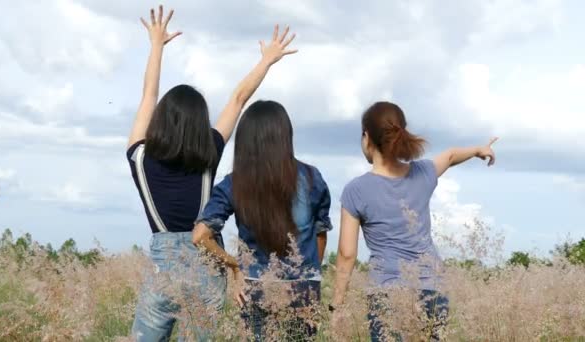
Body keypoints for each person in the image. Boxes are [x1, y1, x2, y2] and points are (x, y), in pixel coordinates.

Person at [127, 6, 298, 341]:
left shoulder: (139, 157)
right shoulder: (209, 155)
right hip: (207, 269)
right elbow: (237, 99)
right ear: (199, 123)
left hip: (162, 272)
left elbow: (148, 95)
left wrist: (156, 46)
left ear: (159, 121)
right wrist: (266, 60)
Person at [330, 101, 499, 341]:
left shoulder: (355, 190)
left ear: (366, 137)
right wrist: (478, 150)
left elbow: (347, 254)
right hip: (432, 288)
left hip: (387, 291)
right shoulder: (422, 173)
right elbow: (450, 156)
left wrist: (337, 305)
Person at [192, 100, 333, 341]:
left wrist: (235, 265)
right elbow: (320, 233)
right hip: (304, 289)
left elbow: (200, 236)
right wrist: (310, 273)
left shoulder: (234, 183)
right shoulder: (311, 177)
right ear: (285, 135)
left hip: (256, 286)